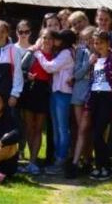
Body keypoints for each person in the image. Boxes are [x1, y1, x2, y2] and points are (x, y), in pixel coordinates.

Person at [32, 29, 76, 175]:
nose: (54, 41)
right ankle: (58, 159)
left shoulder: (66, 53)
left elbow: (50, 67)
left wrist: (37, 53)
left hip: (63, 94)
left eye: (57, 39)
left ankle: (61, 161)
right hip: (57, 92)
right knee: (57, 130)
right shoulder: (63, 52)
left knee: (62, 130)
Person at [88, 30, 112, 179]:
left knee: (99, 133)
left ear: (108, 43)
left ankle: (107, 166)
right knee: (95, 134)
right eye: (96, 43)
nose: (99, 46)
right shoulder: (95, 60)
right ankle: (99, 165)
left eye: (101, 43)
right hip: (95, 97)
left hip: (107, 97)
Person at [17, 27, 53, 176]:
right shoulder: (31, 53)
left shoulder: (55, 55)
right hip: (30, 90)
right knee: (28, 127)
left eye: (50, 38)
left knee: (38, 128)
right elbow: (20, 68)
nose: (47, 41)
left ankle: (33, 161)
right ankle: (31, 160)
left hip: (44, 92)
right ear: (41, 38)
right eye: (45, 37)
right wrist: (27, 74)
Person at [68, 25, 95, 178]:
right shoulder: (81, 52)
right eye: (85, 39)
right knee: (81, 129)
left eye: (91, 38)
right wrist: (89, 63)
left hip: (94, 95)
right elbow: (77, 74)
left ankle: (88, 160)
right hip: (79, 94)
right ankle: (81, 161)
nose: (89, 41)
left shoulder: (103, 52)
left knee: (91, 130)